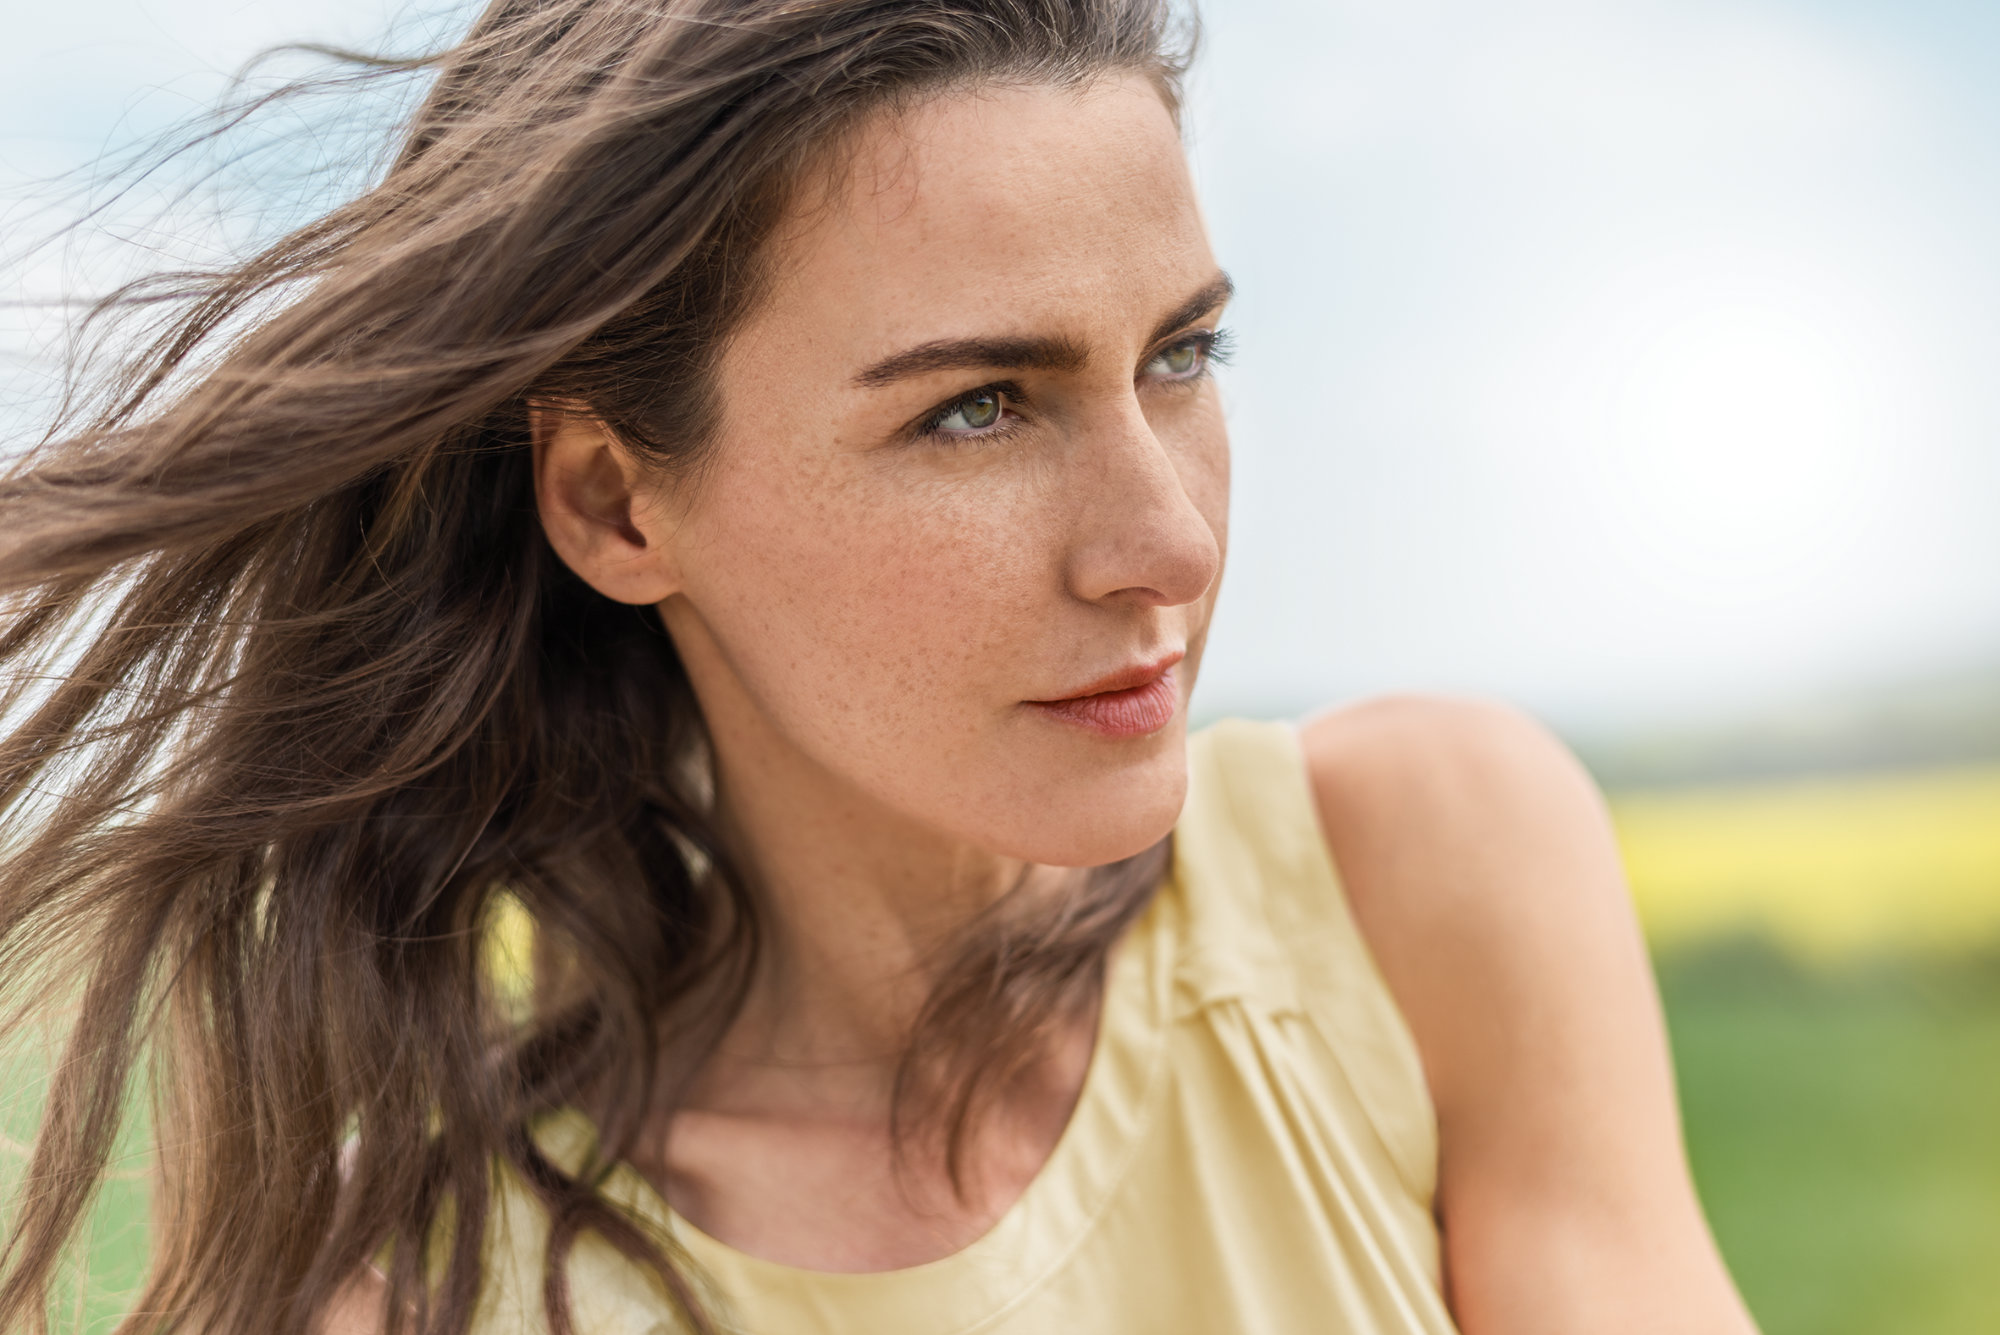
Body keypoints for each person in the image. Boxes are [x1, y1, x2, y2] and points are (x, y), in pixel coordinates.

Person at [0, 1, 1759, 1332]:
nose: (1168, 542)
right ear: (615, 501)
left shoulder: (1418, 878)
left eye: (1182, 353)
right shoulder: (432, 1290)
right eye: (976, 408)